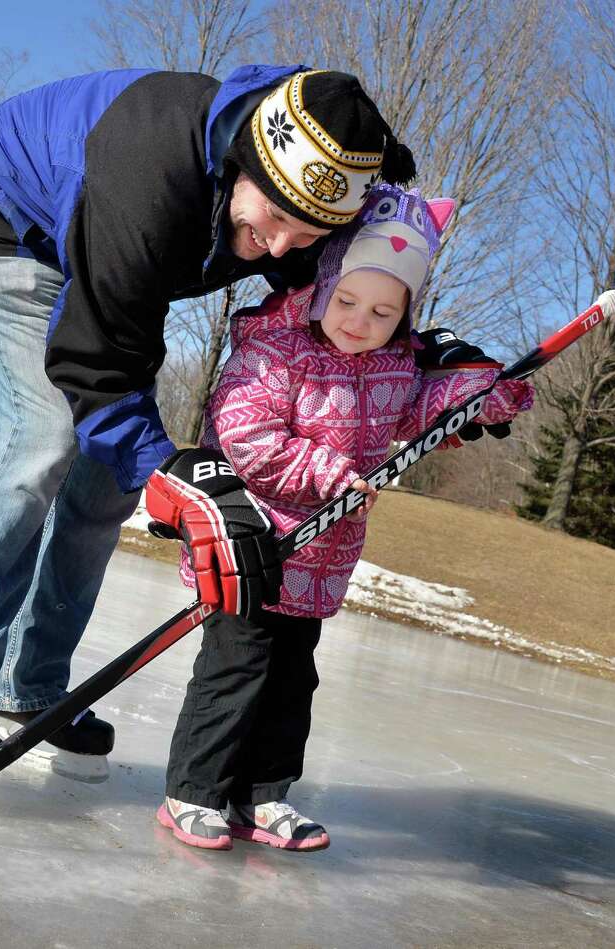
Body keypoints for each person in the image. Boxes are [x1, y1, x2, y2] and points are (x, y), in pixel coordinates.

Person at [0, 66, 420, 783]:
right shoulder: (146, 179)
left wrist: (426, 357)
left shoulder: (315, 189)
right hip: (13, 221)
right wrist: (178, 476)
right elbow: (91, 357)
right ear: (241, 165)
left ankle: (29, 686)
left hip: (116, 267)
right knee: (38, 444)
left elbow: (348, 295)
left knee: (108, 480)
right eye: (276, 219)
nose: (286, 247)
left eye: (310, 231)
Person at [147, 184, 534, 851]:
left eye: (384, 310)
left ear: (405, 314)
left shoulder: (392, 368)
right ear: (324, 285)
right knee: (236, 670)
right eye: (349, 300)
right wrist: (330, 475)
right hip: (252, 547)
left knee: (292, 684)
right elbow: (245, 437)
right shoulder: (274, 351)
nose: (361, 320)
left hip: (320, 565)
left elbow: (426, 411)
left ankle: (263, 798)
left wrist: (485, 393)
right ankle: (195, 791)